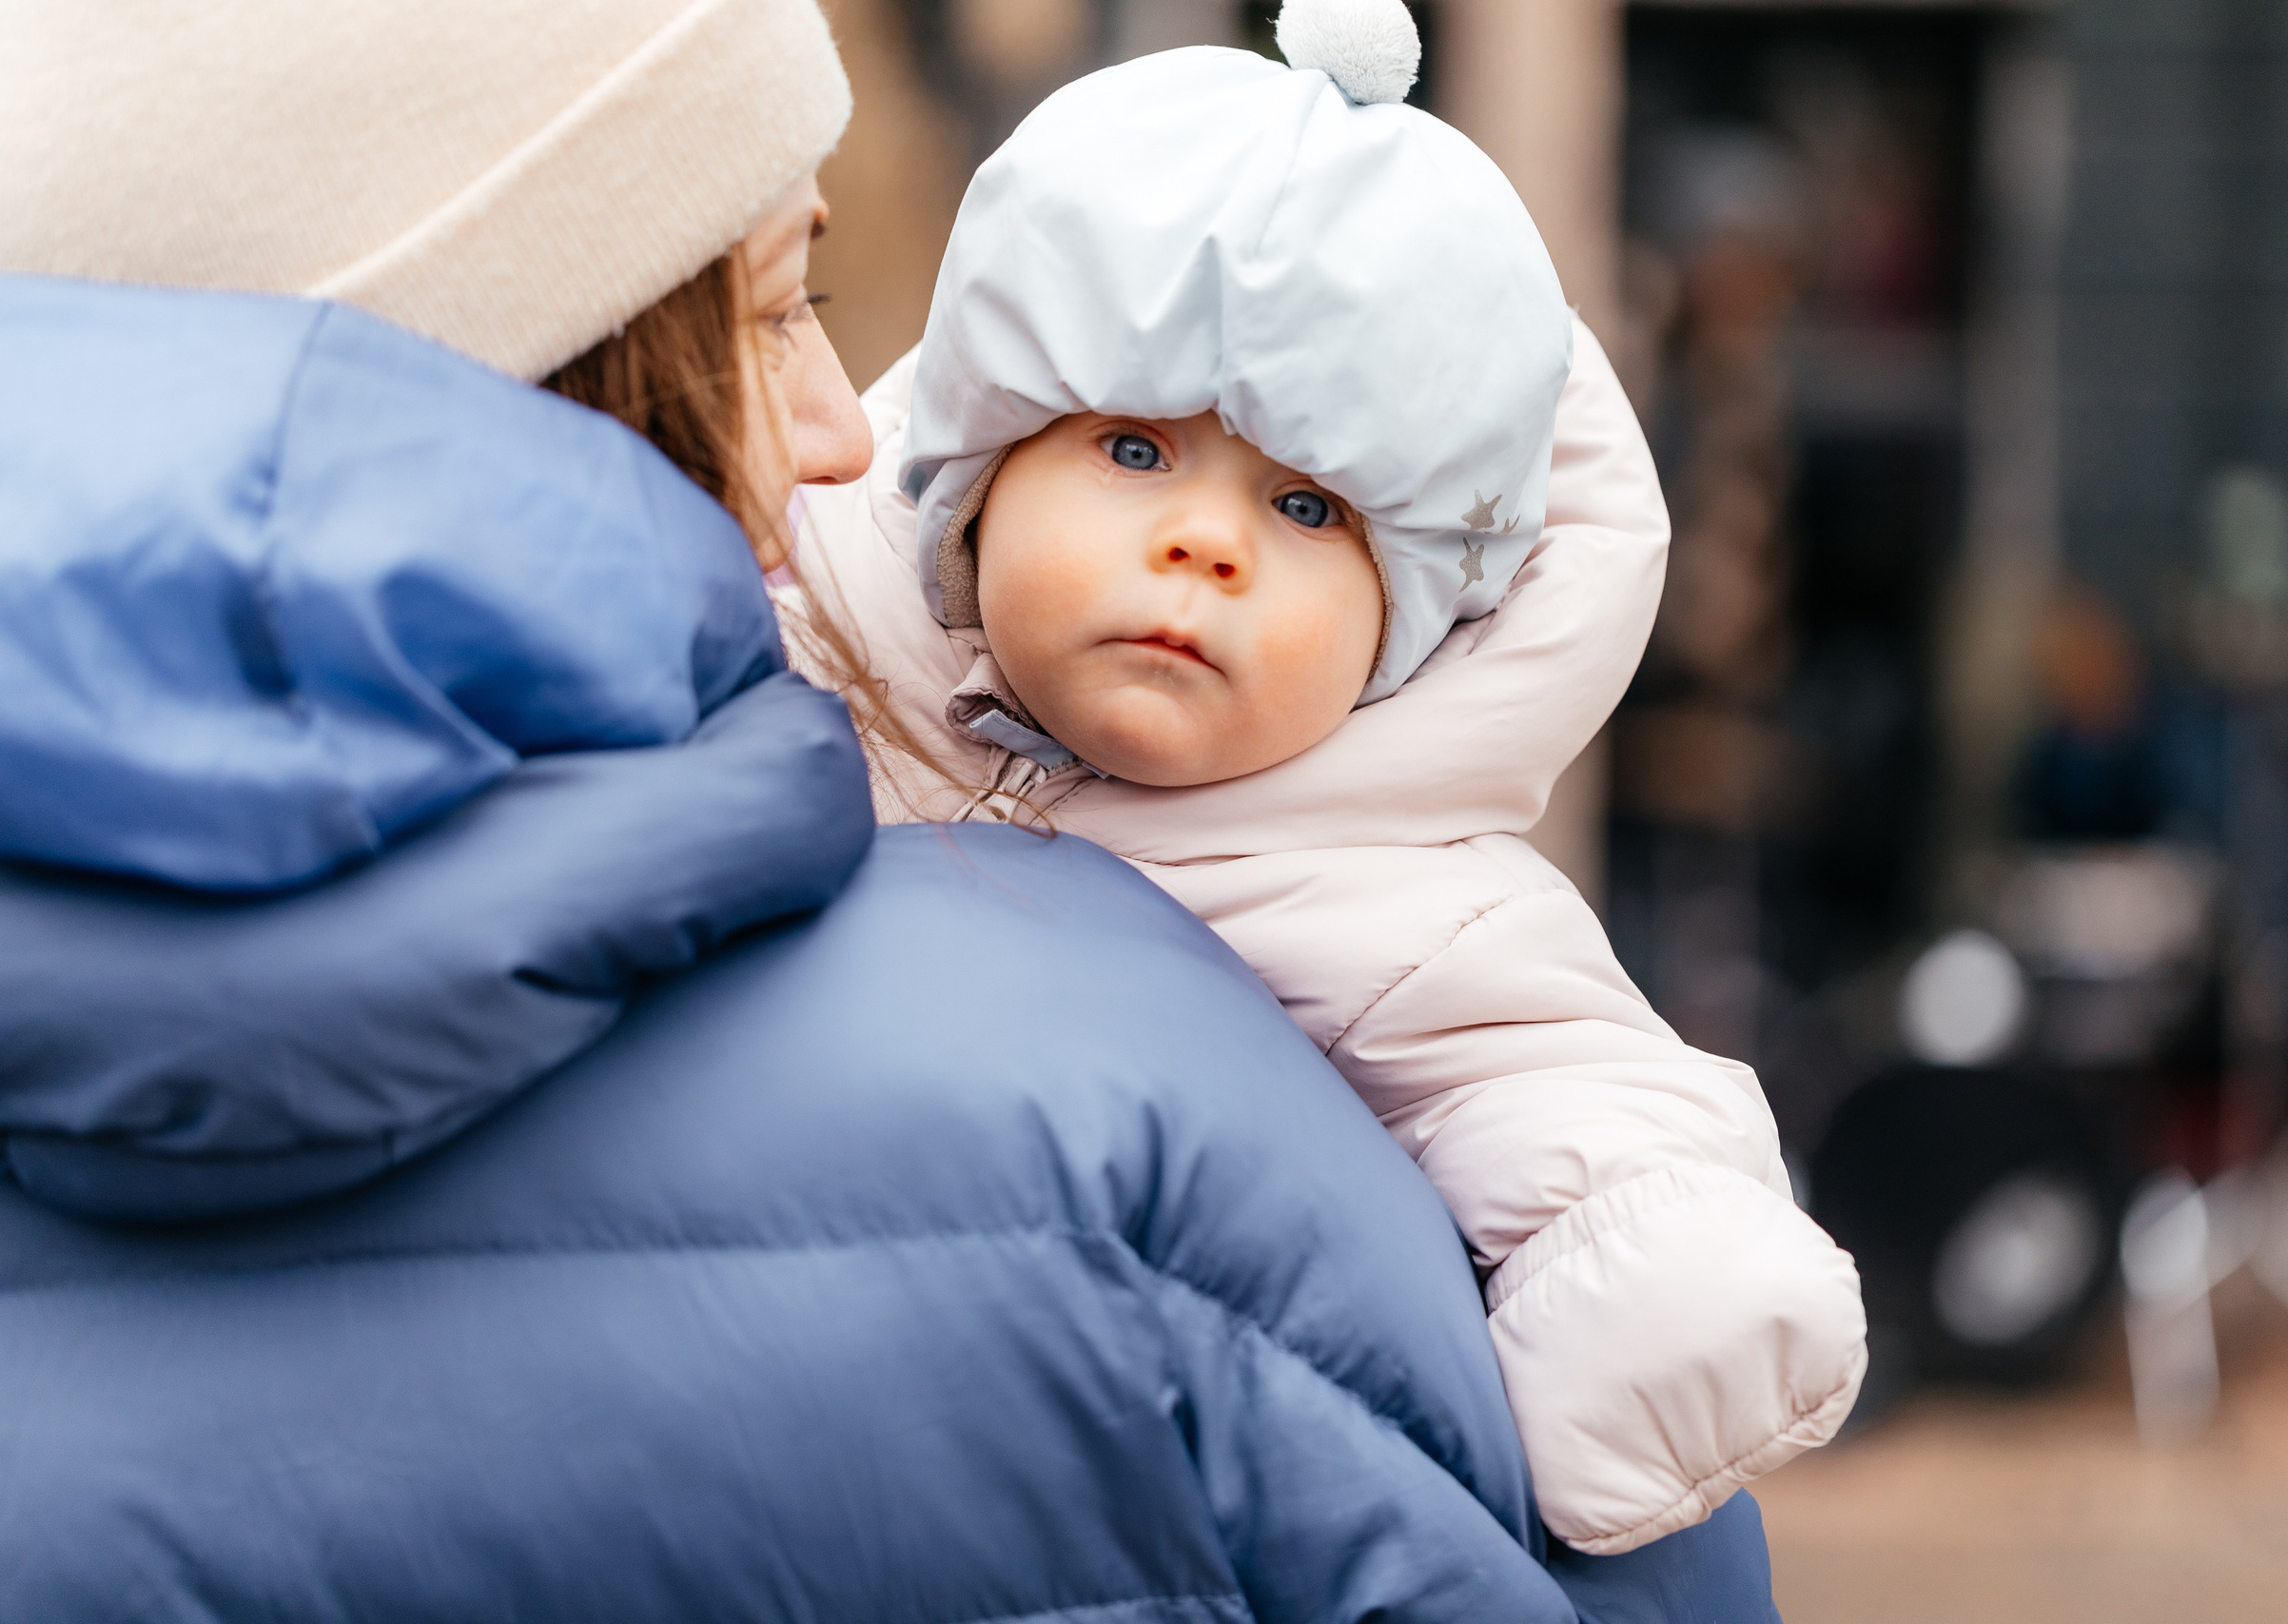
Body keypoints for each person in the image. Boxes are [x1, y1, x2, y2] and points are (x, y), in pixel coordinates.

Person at [0, 1, 1784, 1618]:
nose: (853, 438)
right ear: (542, 353)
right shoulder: (1134, 1147)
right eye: (778, 308)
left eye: (1311, 506)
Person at [787, 0, 1866, 1557]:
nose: (1206, 541)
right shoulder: (805, 640)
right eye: (1135, 454)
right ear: (976, 470)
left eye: (1305, 508)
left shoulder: (1400, 894)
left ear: (1405, 623)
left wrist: (1657, 1278)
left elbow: (1566, 1095)